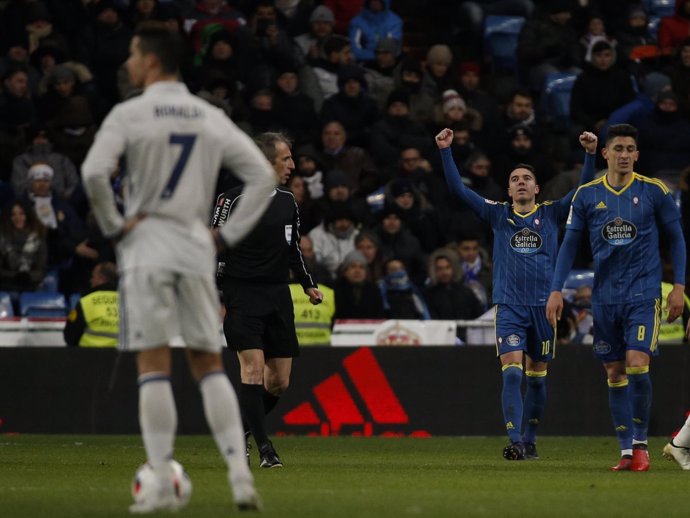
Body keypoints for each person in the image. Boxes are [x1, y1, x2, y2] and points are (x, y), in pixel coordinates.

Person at [81, 26, 275, 512]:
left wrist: (115, 226)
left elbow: (91, 173)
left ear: (149, 61)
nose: (127, 62)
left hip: (147, 243)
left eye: (131, 53)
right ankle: (238, 476)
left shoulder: (130, 113)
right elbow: (260, 175)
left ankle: (164, 484)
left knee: (153, 365)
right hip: (194, 243)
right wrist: (225, 235)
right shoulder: (208, 115)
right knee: (209, 364)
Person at [436, 125, 597, 461]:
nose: (521, 181)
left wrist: (590, 155)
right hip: (509, 307)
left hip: (544, 309)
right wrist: (445, 151)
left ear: (536, 188)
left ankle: (530, 439)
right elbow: (456, 189)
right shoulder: (498, 214)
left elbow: (582, 191)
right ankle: (514, 441)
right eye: (515, 179)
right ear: (508, 190)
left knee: (537, 380)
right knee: (512, 372)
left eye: (526, 178)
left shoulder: (551, 213)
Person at [546, 123, 687, 472]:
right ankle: (626, 451)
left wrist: (680, 287)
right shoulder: (587, 195)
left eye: (629, 149)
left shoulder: (655, 191)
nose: (624, 155)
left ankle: (641, 447)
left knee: (638, 362)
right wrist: (554, 290)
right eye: (618, 149)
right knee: (614, 371)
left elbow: (677, 239)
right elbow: (568, 246)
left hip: (643, 294)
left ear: (637, 155)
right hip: (604, 298)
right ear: (605, 153)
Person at [212, 132, 324, 470]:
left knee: (279, 381)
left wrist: (307, 284)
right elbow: (212, 249)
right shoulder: (230, 200)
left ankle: (239, 431)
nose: (292, 165)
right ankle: (265, 449)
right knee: (253, 369)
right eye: (286, 159)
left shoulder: (287, 201)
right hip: (241, 294)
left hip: (278, 296)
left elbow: (293, 250)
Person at [63, 261, 119, 347]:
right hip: (122, 357)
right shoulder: (128, 303)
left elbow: (70, 335)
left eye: (93, 277)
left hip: (89, 356)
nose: (91, 280)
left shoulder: (86, 301)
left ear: (102, 279)